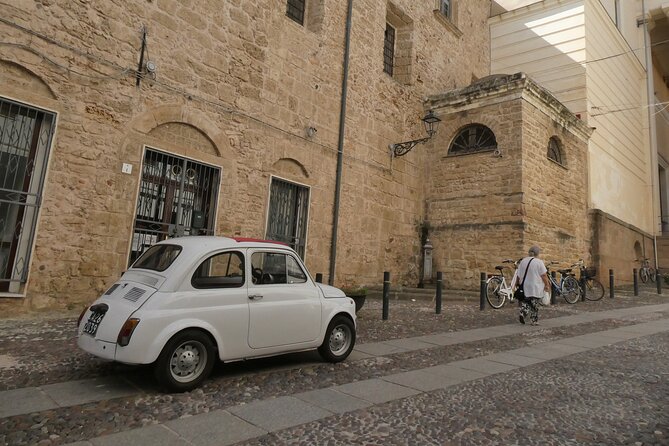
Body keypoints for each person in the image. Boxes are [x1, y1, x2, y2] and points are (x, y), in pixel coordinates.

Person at [511, 246, 550, 325]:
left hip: (525, 285)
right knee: (534, 303)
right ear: (537, 253)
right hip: (536, 286)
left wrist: (516, 284)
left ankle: (523, 312)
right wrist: (547, 285)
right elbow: (544, 275)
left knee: (527, 300)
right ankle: (534, 321)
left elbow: (518, 275)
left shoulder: (523, 261)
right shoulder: (539, 262)